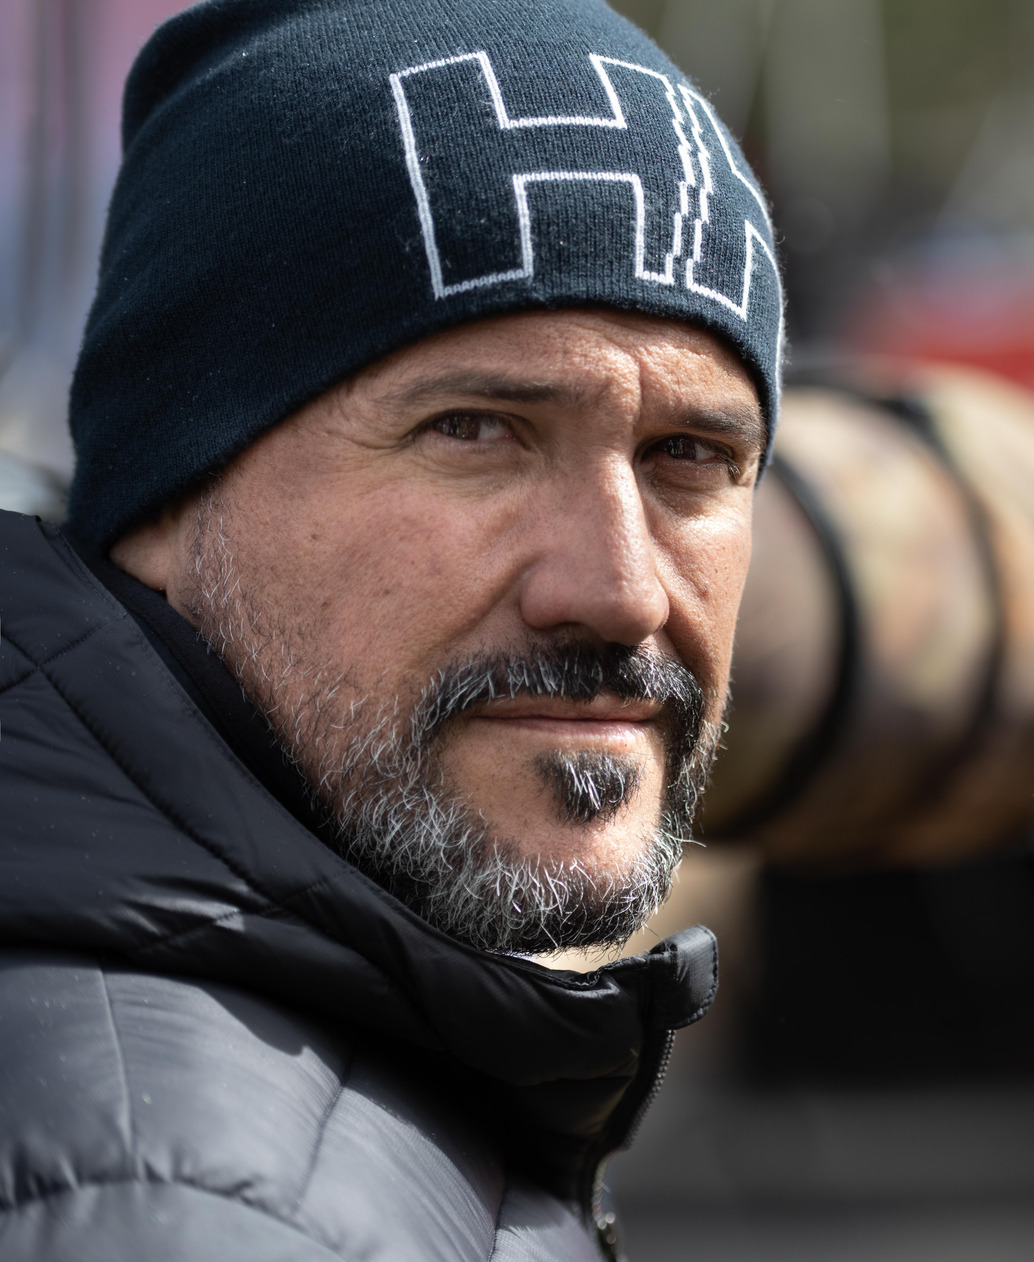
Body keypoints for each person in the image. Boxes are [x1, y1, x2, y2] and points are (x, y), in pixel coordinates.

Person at [0, 1, 783, 1258]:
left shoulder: (355, 1050)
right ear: (168, 493)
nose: (622, 590)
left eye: (689, 454)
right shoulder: (181, 1206)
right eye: (475, 431)